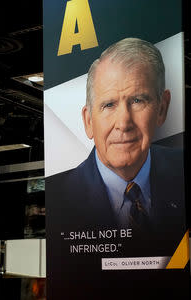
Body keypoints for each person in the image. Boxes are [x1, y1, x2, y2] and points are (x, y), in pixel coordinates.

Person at [46, 38, 186, 299]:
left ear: (162, 108)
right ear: (88, 121)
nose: (124, 122)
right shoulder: (58, 197)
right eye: (109, 105)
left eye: (137, 100)